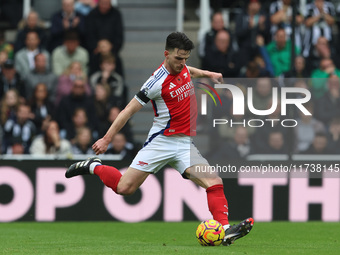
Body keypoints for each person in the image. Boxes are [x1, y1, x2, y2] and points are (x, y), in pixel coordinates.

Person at [65, 32, 254, 245]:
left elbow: (189, 71)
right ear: (166, 54)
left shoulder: (182, 67)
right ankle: (94, 166)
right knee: (124, 188)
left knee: (214, 182)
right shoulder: (155, 82)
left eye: (185, 58)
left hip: (183, 144)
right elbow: (128, 110)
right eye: (178, 58)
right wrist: (107, 138)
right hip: (161, 142)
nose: (182, 63)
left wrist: (208, 73)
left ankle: (226, 229)